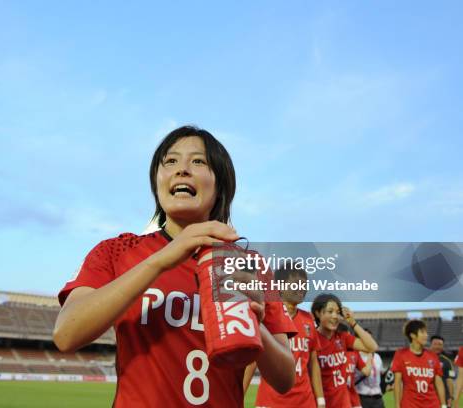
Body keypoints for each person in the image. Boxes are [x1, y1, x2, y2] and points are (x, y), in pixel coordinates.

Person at [53, 126, 297, 407]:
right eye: (170, 161)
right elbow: (66, 334)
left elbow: (285, 378)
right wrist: (160, 260)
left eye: (198, 161)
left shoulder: (248, 265)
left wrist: (255, 325)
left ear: (220, 185)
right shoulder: (116, 251)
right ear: (157, 182)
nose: (182, 169)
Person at [243, 262, 326, 408]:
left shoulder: (309, 320)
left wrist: (320, 399)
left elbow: (313, 364)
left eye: (304, 284)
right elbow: (252, 361)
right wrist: (239, 393)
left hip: (305, 402)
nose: (302, 288)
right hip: (271, 402)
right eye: (296, 284)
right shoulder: (266, 315)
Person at [312, 293, 378, 408]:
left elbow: (372, 347)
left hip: (344, 403)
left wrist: (353, 322)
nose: (335, 316)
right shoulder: (312, 338)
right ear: (318, 313)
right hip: (321, 404)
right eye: (330, 311)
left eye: (338, 313)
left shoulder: (342, 337)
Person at [392, 320, 447, 408]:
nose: (426, 335)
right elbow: (397, 383)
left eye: (426, 332)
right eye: (422, 332)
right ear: (412, 335)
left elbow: (439, 382)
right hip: (410, 405)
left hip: (432, 404)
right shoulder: (400, 354)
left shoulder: (433, 356)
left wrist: (443, 405)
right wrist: (397, 406)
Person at [355, 329, 386, 408]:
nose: (369, 341)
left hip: (378, 399)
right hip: (362, 398)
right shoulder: (355, 356)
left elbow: (381, 374)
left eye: (370, 339)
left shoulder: (377, 357)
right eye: (366, 338)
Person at [429, 335, 456, 407]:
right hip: (426, 396)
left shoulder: (447, 362)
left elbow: (450, 381)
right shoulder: (422, 358)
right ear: (430, 345)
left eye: (440, 344)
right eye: (435, 344)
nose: (437, 347)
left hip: (443, 397)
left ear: (443, 346)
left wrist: (450, 397)